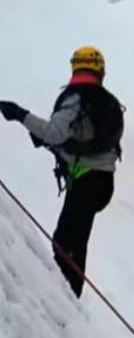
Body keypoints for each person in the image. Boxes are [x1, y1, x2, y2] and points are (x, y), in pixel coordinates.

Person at [0, 46, 125, 297]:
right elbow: (85, 141)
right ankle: (68, 295)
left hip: (86, 183)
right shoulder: (103, 101)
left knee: (66, 243)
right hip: (100, 182)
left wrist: (20, 115)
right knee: (74, 242)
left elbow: (54, 133)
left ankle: (65, 298)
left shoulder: (76, 100)